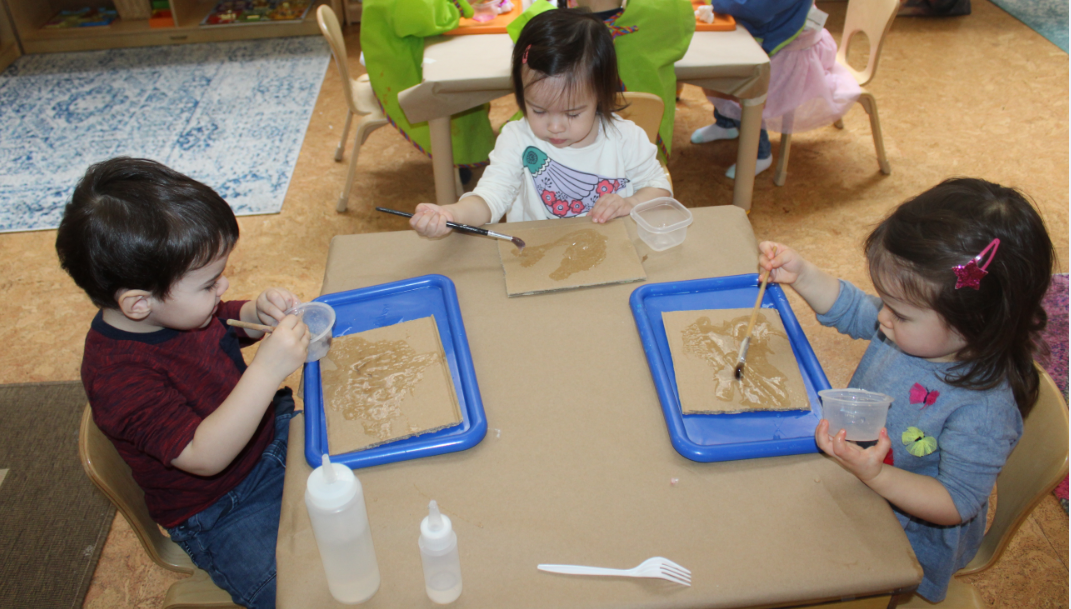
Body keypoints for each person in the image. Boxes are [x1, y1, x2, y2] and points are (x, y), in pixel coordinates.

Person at [758, 178, 1054, 602]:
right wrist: (803, 274)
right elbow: (854, 310)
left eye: (898, 311)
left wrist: (876, 475)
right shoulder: (909, 331)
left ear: (976, 321)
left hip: (910, 540)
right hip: (856, 480)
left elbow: (956, 502)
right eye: (885, 301)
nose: (883, 318)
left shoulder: (984, 410)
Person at [55, 158, 311, 609]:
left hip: (271, 437)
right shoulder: (117, 376)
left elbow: (222, 320)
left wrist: (255, 312)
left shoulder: (177, 309)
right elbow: (203, 455)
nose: (223, 287)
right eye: (210, 283)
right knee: (299, 588)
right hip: (221, 508)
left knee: (374, 482)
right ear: (138, 304)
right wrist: (267, 370)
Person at [409, 9, 672, 236]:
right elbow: (491, 197)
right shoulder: (517, 138)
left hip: (613, 250)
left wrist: (632, 202)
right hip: (536, 256)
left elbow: (661, 189)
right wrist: (451, 214)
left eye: (572, 114)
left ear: (600, 96)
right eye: (538, 110)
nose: (555, 126)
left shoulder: (625, 137)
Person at [691, 0, 860, 179]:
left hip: (787, 50)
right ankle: (726, 123)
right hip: (768, 29)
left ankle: (760, 154)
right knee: (722, 66)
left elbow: (756, 8)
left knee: (744, 87)